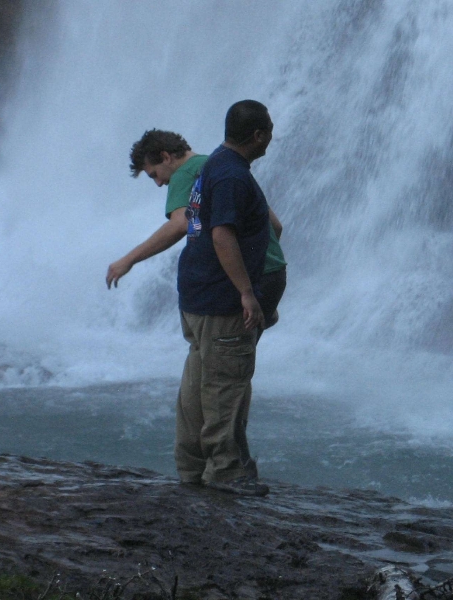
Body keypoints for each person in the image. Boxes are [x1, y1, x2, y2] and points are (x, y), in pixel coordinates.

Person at [175, 100, 276, 496]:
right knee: (225, 386)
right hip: (221, 299)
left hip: (196, 293)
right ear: (258, 135)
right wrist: (247, 293)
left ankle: (191, 467)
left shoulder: (214, 164)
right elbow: (221, 235)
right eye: (270, 130)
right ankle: (226, 471)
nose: (271, 137)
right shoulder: (233, 176)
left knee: (197, 385)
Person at [106, 130, 207, 289]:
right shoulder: (209, 162)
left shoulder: (182, 174)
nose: (158, 183)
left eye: (154, 174)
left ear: (166, 157)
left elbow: (180, 223)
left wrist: (128, 260)